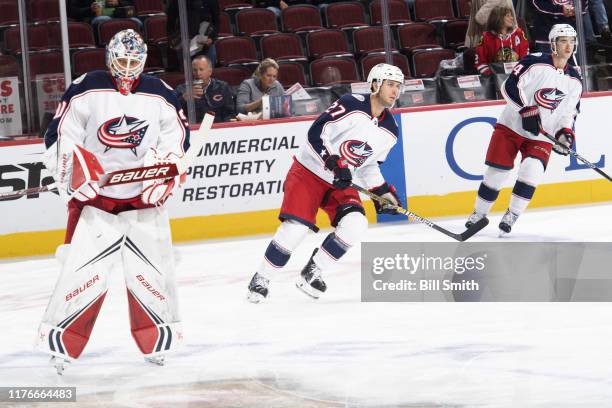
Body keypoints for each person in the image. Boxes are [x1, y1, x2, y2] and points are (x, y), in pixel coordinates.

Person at [36, 29, 189, 374]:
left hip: (141, 199)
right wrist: (73, 177)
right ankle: (62, 343)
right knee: (82, 273)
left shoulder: (161, 94)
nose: (127, 68)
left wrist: (164, 178)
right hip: (96, 199)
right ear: (109, 58)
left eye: (134, 62)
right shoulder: (86, 87)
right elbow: (60, 137)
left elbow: (177, 143)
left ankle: (156, 341)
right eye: (121, 60)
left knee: (152, 272)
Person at [246, 63, 404, 302]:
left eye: (398, 87)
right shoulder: (351, 104)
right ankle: (262, 278)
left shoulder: (390, 130)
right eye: (390, 85)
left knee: (356, 224)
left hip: (339, 183)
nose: (395, 91)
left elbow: (369, 165)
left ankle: (313, 271)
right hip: (309, 172)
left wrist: (382, 191)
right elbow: (316, 132)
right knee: (295, 230)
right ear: (375, 84)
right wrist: (333, 162)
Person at [465, 24, 582, 235]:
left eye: (572, 41)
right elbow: (509, 87)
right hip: (511, 126)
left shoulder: (575, 80)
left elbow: (569, 113)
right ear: (553, 43)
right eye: (563, 40)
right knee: (496, 173)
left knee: (532, 171)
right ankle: (479, 214)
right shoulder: (534, 62)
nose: (568, 46)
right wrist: (525, 110)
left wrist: (564, 134)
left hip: (541, 135)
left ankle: (512, 214)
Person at [175, 55, 234, 123]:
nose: (198, 73)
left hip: (218, 127)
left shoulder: (222, 87)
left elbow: (230, 113)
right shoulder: (182, 89)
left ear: (210, 71)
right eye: (195, 70)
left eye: (201, 69)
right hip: (194, 129)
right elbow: (171, 111)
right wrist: (183, 99)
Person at [474, 6, 529, 75]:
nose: (512, 18)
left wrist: (518, 74)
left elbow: (525, 58)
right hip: (495, 78)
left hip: (516, 76)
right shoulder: (486, 37)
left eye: (511, 15)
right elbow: (480, 63)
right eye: (508, 16)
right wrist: (492, 76)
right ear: (498, 18)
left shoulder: (518, 33)